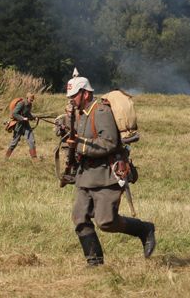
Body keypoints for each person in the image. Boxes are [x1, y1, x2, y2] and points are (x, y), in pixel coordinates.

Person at [64, 71, 156, 266]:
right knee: (80, 218)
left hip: (106, 176)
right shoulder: (80, 113)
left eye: (74, 96)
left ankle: (144, 229)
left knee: (106, 222)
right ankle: (94, 262)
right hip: (85, 176)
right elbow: (79, 133)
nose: (71, 100)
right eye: (69, 97)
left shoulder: (101, 111)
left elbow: (109, 143)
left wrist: (79, 146)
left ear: (85, 94)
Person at [5, 92, 38, 160]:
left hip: (26, 125)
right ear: (27, 98)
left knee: (31, 140)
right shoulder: (21, 104)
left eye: (32, 100)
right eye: (30, 99)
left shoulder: (29, 105)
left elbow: (28, 114)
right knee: (14, 142)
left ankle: (34, 158)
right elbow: (14, 113)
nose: (31, 101)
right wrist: (22, 118)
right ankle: (6, 157)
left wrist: (33, 117)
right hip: (19, 125)